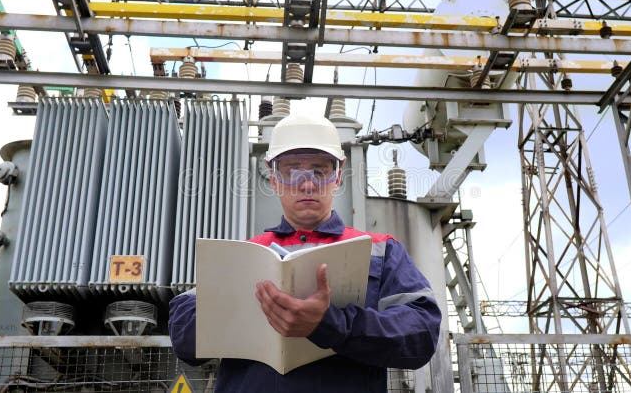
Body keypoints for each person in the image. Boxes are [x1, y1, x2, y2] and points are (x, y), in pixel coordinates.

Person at [169, 114, 441, 392]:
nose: (307, 184)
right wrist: (250, 308)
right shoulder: (243, 255)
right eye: (292, 172)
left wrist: (332, 324)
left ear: (338, 177)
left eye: (319, 171)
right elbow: (182, 333)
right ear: (273, 179)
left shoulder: (382, 250)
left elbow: (422, 333)